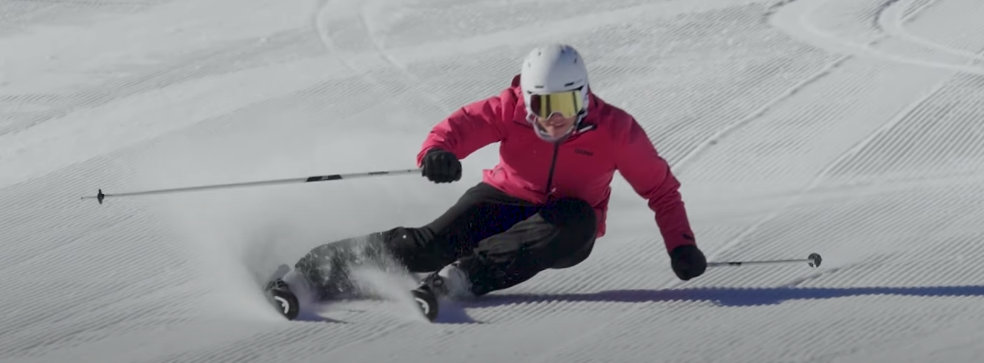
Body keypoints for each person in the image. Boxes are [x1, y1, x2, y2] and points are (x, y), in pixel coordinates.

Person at [265, 43, 707, 320]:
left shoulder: (616, 130)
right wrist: (438, 153)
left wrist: (681, 245)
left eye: (567, 104)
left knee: (577, 219)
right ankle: (310, 273)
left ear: (585, 97)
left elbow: (661, 190)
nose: (555, 118)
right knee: (427, 245)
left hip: (565, 225)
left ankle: (460, 279)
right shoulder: (508, 108)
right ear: (526, 99)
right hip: (504, 198)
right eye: (543, 104)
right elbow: (458, 128)